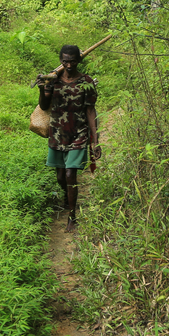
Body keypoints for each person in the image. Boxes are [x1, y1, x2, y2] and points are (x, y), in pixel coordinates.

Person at [38, 44, 100, 232]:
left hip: (79, 133)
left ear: (79, 60)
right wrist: (42, 89)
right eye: (65, 61)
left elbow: (90, 110)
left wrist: (95, 140)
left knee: (70, 174)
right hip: (57, 133)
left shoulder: (86, 82)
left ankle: (72, 217)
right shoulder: (53, 79)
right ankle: (68, 195)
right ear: (61, 61)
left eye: (72, 61)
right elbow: (43, 106)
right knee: (60, 177)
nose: (69, 65)